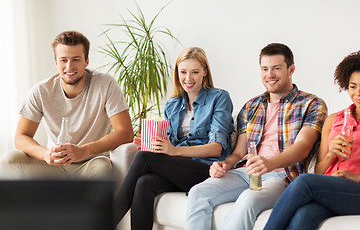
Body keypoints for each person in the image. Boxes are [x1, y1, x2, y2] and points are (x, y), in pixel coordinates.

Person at [185, 43, 328, 230]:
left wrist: (270, 163)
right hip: (246, 173)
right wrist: (224, 164)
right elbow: (238, 153)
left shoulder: (312, 104)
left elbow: (303, 147)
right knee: (198, 192)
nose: (270, 74)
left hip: (282, 177)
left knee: (248, 199)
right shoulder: (251, 106)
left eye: (277, 68)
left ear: (291, 69)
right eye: (265, 69)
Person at [112, 47, 234, 230]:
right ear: (177, 73)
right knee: (144, 182)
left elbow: (216, 147)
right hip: (180, 169)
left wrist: (174, 151)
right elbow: (170, 144)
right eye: (183, 72)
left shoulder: (219, 98)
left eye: (195, 72)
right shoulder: (172, 104)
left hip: (207, 169)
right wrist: (152, 144)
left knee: (143, 159)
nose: (188, 78)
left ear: (205, 72)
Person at [0, 30, 133, 179]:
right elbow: (21, 137)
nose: (69, 66)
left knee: (102, 167)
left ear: (86, 61)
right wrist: (45, 154)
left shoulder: (105, 84)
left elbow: (125, 133)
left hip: (90, 162)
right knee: (9, 160)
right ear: (56, 62)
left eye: (76, 59)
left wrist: (83, 150)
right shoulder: (41, 91)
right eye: (64, 60)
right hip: (54, 164)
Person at [264, 51, 360, 230]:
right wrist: (331, 154)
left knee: (304, 182)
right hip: (332, 188)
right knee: (303, 216)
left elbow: (311, 180)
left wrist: (353, 176)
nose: (357, 92)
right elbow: (319, 171)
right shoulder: (334, 120)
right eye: (353, 86)